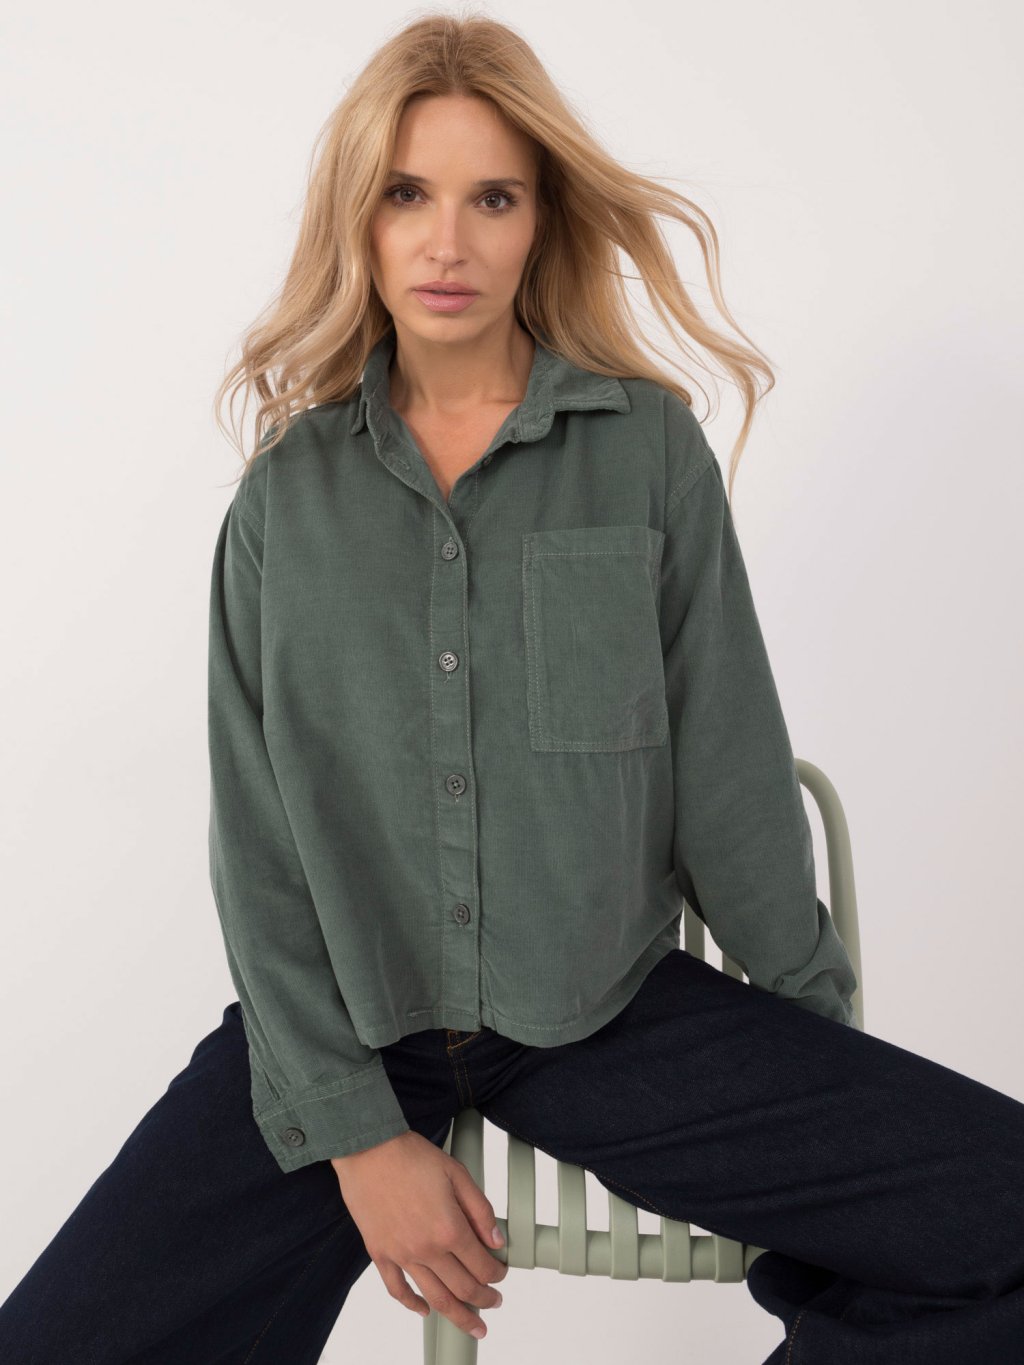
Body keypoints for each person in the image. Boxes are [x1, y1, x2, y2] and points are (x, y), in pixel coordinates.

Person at [2, 12, 1023, 1365]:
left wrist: (814, 1049)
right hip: (348, 1027)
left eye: (493, 198)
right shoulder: (284, 502)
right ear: (359, 221)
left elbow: (727, 763)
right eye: (407, 195)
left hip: (604, 1014)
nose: (448, 242)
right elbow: (260, 848)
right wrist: (360, 1137)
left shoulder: (646, 450)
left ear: (542, 222)